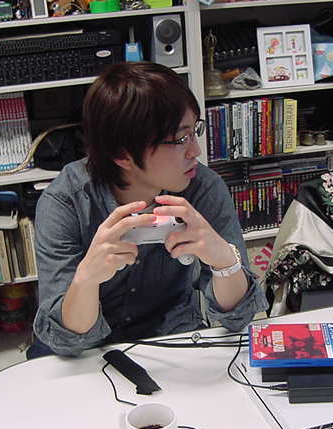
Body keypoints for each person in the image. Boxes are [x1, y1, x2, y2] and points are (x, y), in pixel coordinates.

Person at [28, 62, 268, 358]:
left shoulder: (203, 188)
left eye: (195, 131)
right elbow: (66, 342)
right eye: (180, 139)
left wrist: (224, 261)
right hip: (85, 351)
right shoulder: (66, 201)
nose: (196, 151)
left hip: (170, 335)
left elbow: (238, 318)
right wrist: (86, 280)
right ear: (122, 155)